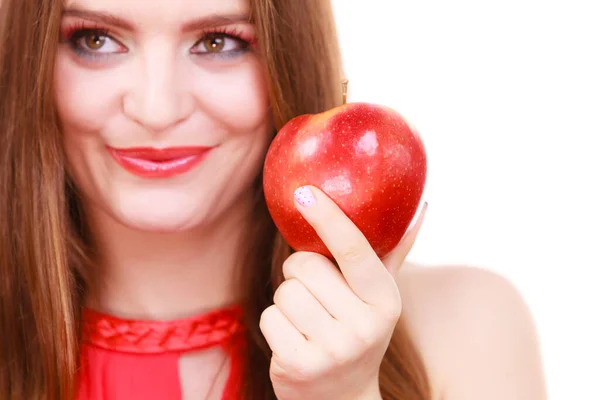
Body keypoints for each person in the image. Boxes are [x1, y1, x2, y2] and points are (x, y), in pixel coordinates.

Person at [0, 0, 547, 399]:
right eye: (95, 39)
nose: (156, 108)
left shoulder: (464, 328)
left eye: (218, 42)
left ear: (287, 60)